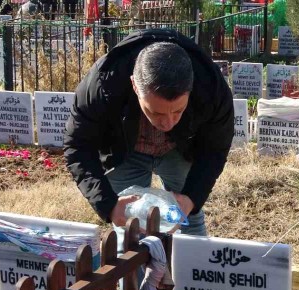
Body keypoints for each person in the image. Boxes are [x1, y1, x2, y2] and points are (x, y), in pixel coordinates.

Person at [64, 29, 234, 242]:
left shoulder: (211, 86)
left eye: (178, 111)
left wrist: (191, 198)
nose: (168, 123)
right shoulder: (103, 83)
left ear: (190, 90)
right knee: (129, 225)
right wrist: (109, 205)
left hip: (179, 148)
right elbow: (78, 145)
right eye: (156, 112)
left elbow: (215, 147)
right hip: (125, 151)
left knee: (188, 218)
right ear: (135, 86)